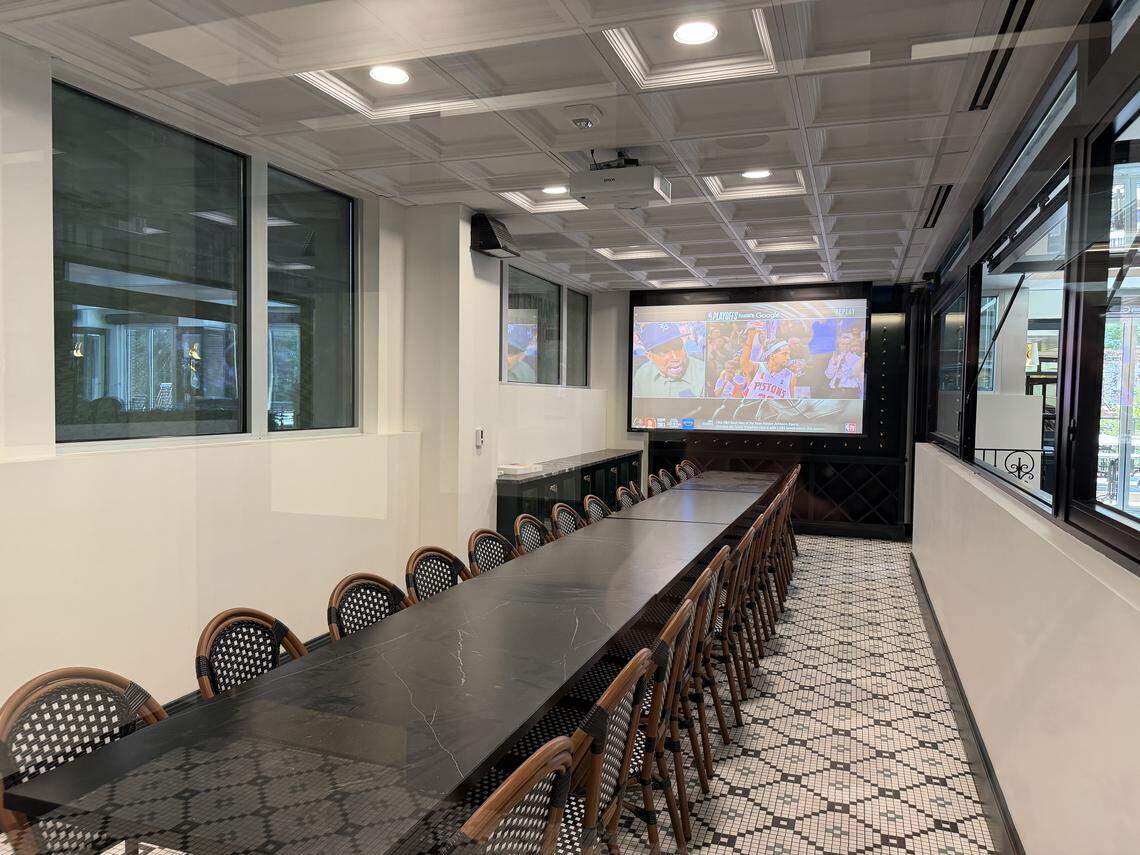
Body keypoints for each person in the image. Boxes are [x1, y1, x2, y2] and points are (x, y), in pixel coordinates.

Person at [632, 322, 706, 398]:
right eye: (664, 352)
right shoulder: (642, 375)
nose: (675, 358)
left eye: (677, 347)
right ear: (650, 356)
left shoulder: (704, 373)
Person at [825, 331, 865, 398]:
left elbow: (850, 373)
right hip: (834, 390)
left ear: (850, 345)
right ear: (839, 345)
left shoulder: (857, 359)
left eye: (847, 344)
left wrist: (843, 362)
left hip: (849, 391)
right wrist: (834, 364)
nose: (845, 346)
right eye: (842, 344)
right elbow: (828, 375)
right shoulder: (835, 357)